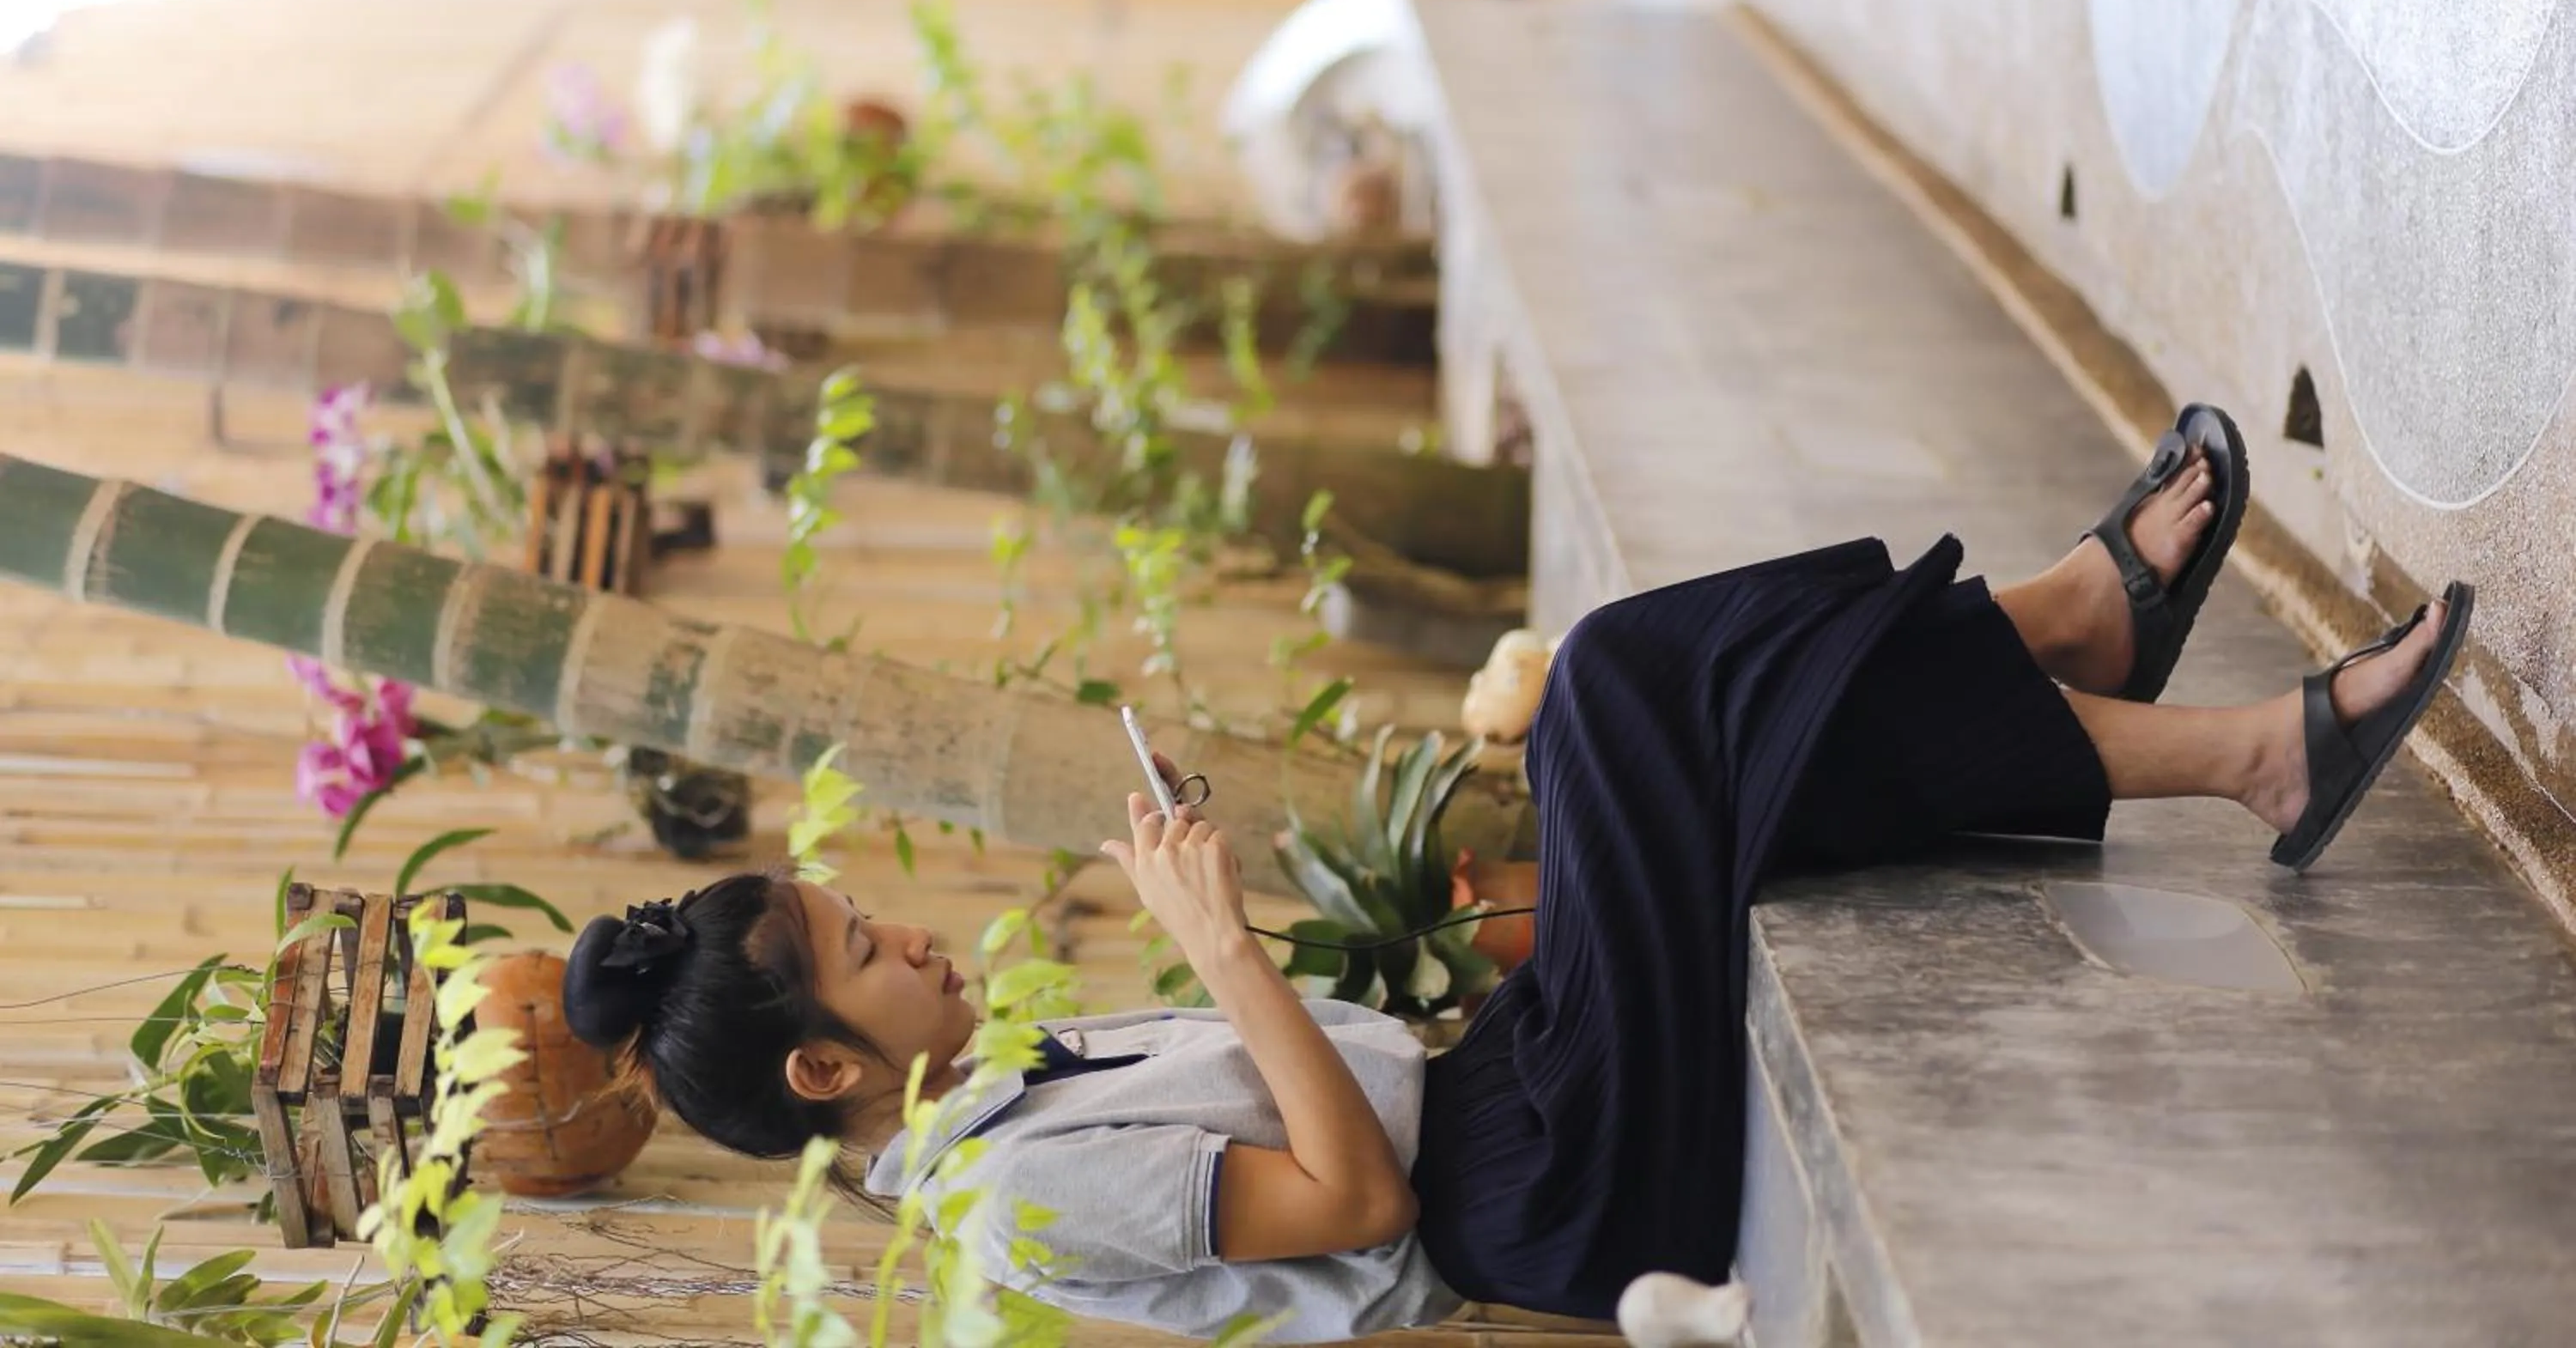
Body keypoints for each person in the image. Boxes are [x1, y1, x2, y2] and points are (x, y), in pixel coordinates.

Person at [562, 404, 2471, 1343]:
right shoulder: (1015, 1218)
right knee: (1618, 695)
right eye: (857, 949)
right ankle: (2085, 628)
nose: (898, 925)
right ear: (830, 1063)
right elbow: (1356, 1190)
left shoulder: (1004, 1107)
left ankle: (2216, 731)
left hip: (1519, 1075)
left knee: (1697, 762)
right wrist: (1219, 946)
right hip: (1536, 1182)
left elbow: (1368, 1077)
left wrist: (1468, 948)